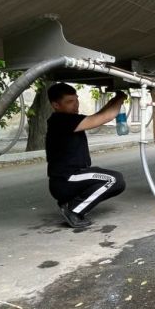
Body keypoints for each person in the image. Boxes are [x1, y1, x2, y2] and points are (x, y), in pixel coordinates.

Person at [45, 83, 128, 228]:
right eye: (69, 102)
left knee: (112, 179)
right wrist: (120, 98)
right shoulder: (62, 120)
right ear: (56, 105)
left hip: (72, 178)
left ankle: (71, 203)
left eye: (76, 100)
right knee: (114, 180)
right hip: (67, 179)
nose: (75, 105)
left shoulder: (68, 119)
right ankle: (73, 210)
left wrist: (115, 100)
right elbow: (106, 116)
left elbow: (98, 115)